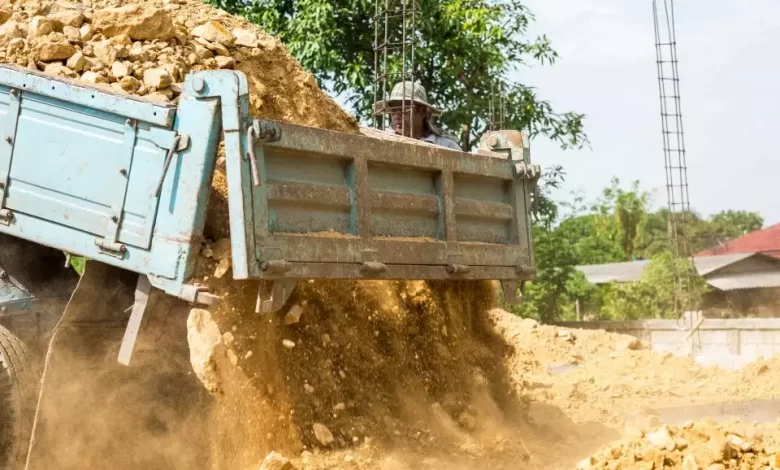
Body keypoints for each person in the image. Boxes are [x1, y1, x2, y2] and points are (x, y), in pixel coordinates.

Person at [374, 81, 462, 151]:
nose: (397, 115)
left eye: (404, 109)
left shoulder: (446, 146)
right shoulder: (383, 144)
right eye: (393, 110)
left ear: (424, 112)